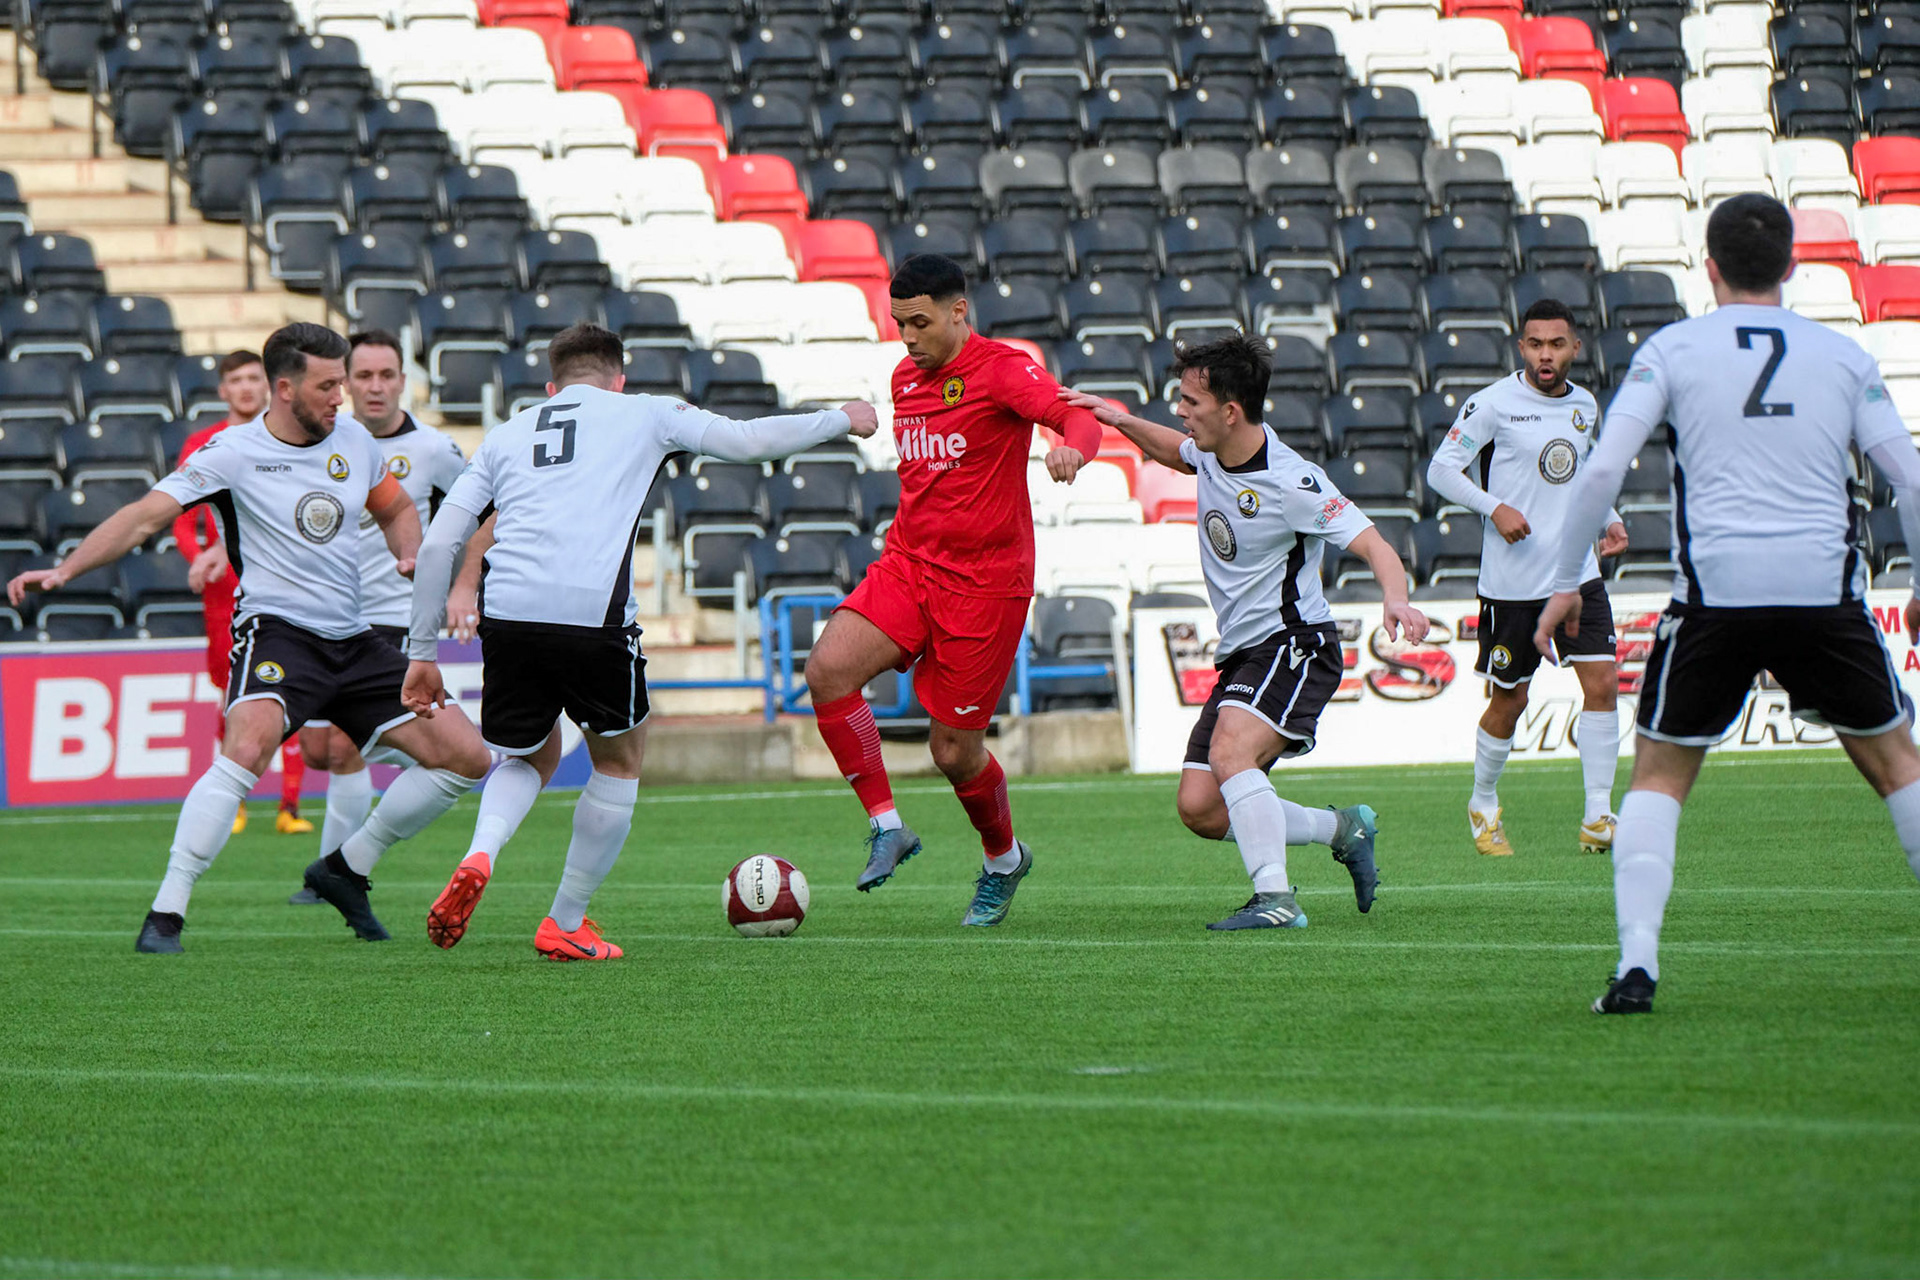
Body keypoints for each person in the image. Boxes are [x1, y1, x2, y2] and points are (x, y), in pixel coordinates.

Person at [1534, 193, 1920, 1014]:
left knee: (1659, 776)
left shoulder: (1673, 349)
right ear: (1791, 265)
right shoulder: (1843, 355)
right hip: (1824, 595)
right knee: (1898, 766)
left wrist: (1568, 582)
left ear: (1709, 267)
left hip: (1716, 599)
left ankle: (1637, 967)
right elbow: (1912, 482)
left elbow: (1600, 471)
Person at [7, 323, 492, 953]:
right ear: (284, 388)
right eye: (327, 386)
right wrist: (66, 570)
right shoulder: (231, 453)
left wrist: (408, 552)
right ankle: (166, 913)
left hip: (355, 639)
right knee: (246, 750)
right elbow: (143, 518)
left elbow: (397, 507)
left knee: (468, 757)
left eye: (341, 384)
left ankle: (345, 867)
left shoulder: (352, 439)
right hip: (277, 632)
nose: (340, 397)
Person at [404, 323, 880, 960]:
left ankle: (480, 853)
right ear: (618, 381)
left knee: (528, 756)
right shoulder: (646, 412)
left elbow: (440, 541)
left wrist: (422, 653)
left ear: (552, 387)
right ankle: (565, 921)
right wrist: (840, 418)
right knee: (619, 760)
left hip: (508, 616)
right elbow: (747, 442)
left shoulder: (508, 433)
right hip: (592, 615)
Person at [1060, 336, 1424, 929]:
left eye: (1191, 402)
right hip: (1243, 654)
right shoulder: (1210, 452)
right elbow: (1175, 451)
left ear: (1230, 411)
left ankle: (1275, 899)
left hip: (1296, 643)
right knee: (1202, 808)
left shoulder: (1293, 481)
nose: (1180, 410)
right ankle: (1342, 828)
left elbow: (1373, 542)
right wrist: (1116, 418)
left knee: (1232, 752)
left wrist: (1397, 597)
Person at [801, 253, 1104, 927]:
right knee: (826, 671)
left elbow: (1077, 417)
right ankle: (888, 826)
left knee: (952, 752)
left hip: (986, 586)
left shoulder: (1003, 369)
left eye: (920, 323)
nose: (908, 338)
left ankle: (1004, 860)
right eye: (899, 324)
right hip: (909, 564)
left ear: (958, 311)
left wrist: (1073, 450)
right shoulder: (904, 377)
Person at [1426, 300, 1630, 858]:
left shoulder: (1584, 405)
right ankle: (1483, 802)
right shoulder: (1491, 404)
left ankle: (1598, 816)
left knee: (1602, 685)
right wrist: (1494, 508)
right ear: (1521, 347)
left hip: (1577, 576)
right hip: (1513, 585)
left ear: (1574, 349)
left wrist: (1609, 518)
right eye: (1535, 344)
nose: (1546, 354)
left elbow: (1583, 473)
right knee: (1510, 701)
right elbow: (1440, 470)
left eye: (1556, 344)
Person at [286, 329, 472, 907]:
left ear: (402, 381)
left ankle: (333, 876)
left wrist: (462, 588)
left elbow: (483, 517)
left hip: (395, 617)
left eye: (385, 375)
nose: (374, 387)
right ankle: (418, 761)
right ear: (345, 383)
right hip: (325, 617)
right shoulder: (322, 442)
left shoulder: (435, 450)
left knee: (345, 749)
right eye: (362, 376)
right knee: (320, 753)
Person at [173, 351, 310, 836]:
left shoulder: (291, 437)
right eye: (237, 380)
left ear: (269, 385)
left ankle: (290, 805)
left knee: (286, 687)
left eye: (255, 378)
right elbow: (182, 517)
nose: (247, 387)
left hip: (280, 581)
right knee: (231, 693)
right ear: (223, 390)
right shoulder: (202, 443)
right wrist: (200, 557)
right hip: (224, 592)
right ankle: (234, 802)